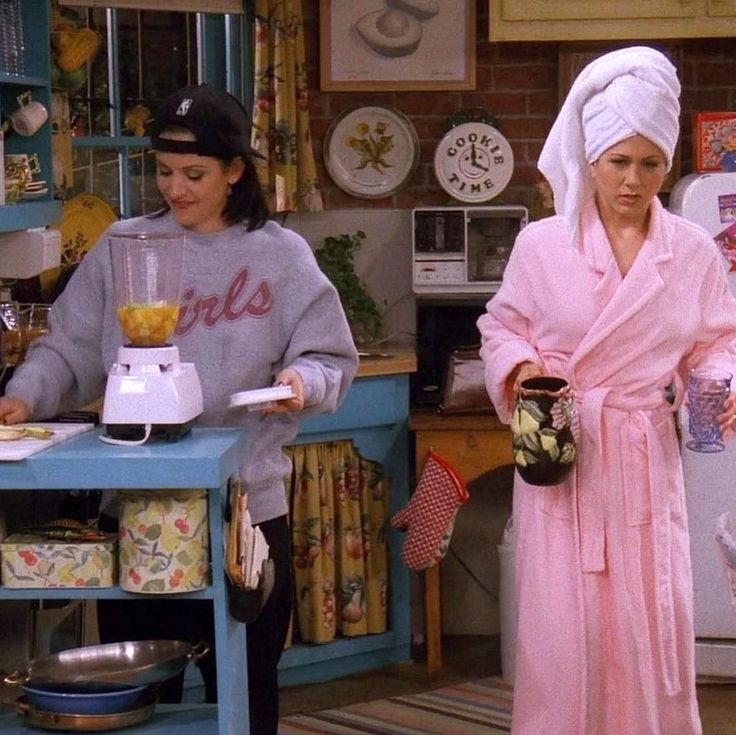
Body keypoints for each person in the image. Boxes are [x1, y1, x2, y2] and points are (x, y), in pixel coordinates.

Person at [0, 83, 359, 735]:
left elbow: (331, 358)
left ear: (234, 171)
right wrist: (22, 394)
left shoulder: (280, 256)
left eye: (194, 174)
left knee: (245, 691)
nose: (176, 189)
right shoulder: (124, 246)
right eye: (164, 173)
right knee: (139, 702)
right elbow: (71, 348)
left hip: (246, 515)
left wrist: (302, 379)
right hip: (138, 512)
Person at [477, 46, 736, 735]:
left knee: (648, 624)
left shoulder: (691, 250)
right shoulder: (541, 245)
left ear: (669, 163)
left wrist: (719, 381)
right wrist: (522, 369)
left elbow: (717, 340)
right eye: (619, 161)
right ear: (590, 159)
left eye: (650, 163)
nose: (633, 179)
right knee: (563, 633)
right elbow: (500, 327)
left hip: (643, 458)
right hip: (561, 453)